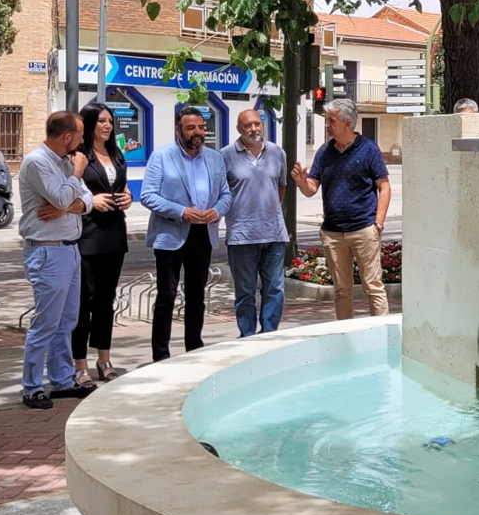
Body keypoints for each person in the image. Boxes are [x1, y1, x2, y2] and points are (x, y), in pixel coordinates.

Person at [16, 111, 101, 408]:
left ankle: (62, 380)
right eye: (79, 135)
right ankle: (31, 387)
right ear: (67, 137)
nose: (82, 141)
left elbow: (87, 201)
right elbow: (65, 197)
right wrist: (75, 176)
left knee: (67, 321)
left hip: (70, 248)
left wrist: (65, 206)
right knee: (46, 322)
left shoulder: (64, 161)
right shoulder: (38, 162)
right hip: (47, 250)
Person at [140, 105, 232, 363]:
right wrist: (181, 212)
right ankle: (161, 355)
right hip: (171, 234)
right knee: (167, 295)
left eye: (201, 127)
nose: (198, 132)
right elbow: (148, 195)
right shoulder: (161, 156)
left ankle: (194, 348)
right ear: (178, 130)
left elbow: (226, 194)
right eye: (191, 128)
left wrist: (217, 210)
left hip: (203, 233)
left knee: (196, 294)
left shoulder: (215, 158)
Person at [290, 97, 391, 319]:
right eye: (327, 120)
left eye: (331, 121)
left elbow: (384, 187)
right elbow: (311, 189)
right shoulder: (324, 152)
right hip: (333, 233)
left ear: (347, 123)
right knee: (342, 291)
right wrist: (302, 182)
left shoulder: (368, 149)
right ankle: (346, 333)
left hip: (364, 229)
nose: (327, 125)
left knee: (373, 287)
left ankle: (383, 333)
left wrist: (378, 224)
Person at [71, 101, 132, 381]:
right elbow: (69, 190)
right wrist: (91, 201)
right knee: (85, 301)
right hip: (88, 234)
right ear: (89, 124)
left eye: (110, 121)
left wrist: (128, 196)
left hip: (114, 234)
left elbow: (122, 185)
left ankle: (104, 360)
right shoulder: (79, 155)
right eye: (101, 121)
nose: (107, 126)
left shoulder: (116, 154)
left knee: (107, 300)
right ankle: (79, 364)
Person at [222, 108, 290, 336]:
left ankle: (269, 335)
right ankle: (247, 338)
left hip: (274, 235)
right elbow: (221, 193)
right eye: (247, 125)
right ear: (238, 129)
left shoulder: (277, 153)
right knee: (245, 293)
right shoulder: (225, 156)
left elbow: (281, 188)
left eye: (257, 124)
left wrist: (268, 213)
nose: (253, 129)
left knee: (275, 290)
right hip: (241, 237)